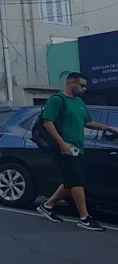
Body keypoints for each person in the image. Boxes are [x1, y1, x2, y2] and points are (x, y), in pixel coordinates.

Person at [36, 72, 118, 231]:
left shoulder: (79, 102)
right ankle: (84, 218)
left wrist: (110, 128)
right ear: (71, 83)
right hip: (67, 149)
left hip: (79, 148)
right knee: (77, 183)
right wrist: (62, 144)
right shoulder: (57, 100)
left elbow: (88, 122)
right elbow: (48, 123)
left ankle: (47, 206)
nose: (85, 89)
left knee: (70, 182)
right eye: (82, 85)